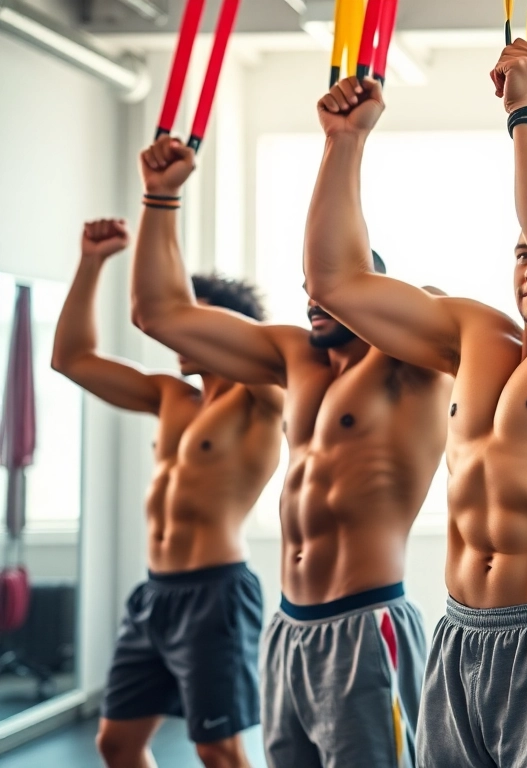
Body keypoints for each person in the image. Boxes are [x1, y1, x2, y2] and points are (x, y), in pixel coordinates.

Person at [301, 40, 527, 768]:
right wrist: (344, 144)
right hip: (460, 634)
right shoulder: (475, 336)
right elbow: (334, 281)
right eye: (519, 252)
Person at [130, 136, 452, 768]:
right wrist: (160, 198)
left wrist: (344, 143)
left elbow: (371, 283)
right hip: (288, 627)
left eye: (328, 284)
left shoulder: (409, 362)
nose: (314, 296)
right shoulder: (293, 357)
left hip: (366, 624)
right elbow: (159, 313)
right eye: (307, 286)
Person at [53, 219, 282, 768]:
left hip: (216, 595)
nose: (171, 336)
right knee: (117, 743)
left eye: (187, 325)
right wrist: (91, 263)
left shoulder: (262, 397)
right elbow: (71, 359)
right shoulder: (170, 396)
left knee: (217, 750)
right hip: (155, 595)